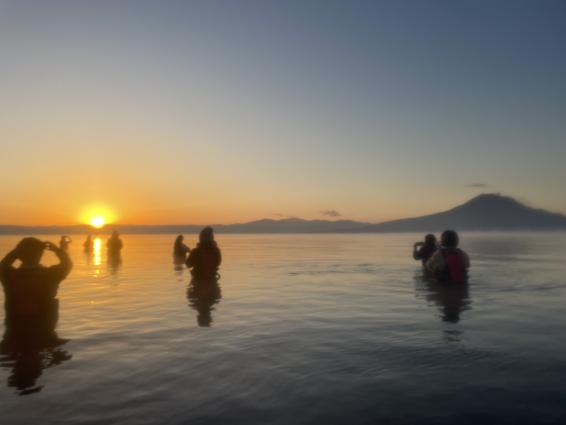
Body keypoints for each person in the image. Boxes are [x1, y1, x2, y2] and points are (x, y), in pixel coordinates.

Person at [0, 237, 72, 395]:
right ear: (40, 255)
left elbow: (2, 266)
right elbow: (67, 265)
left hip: (14, 332)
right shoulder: (50, 276)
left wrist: (16, 252)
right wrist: (57, 250)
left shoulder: (9, 277)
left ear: (20, 255)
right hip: (43, 332)